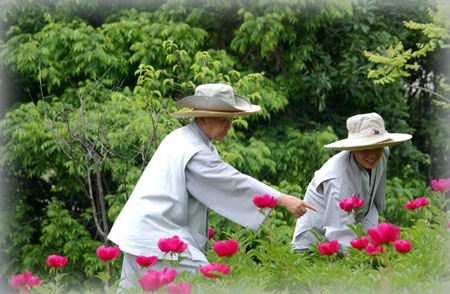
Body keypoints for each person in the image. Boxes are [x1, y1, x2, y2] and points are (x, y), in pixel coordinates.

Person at [108, 83, 317, 289]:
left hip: (139, 234)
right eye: (222, 119)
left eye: (230, 119)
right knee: (210, 283)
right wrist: (282, 199)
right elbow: (233, 181)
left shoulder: (183, 139)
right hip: (158, 237)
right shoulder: (193, 150)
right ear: (202, 117)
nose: (228, 126)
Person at [290, 112, 412, 254]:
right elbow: (339, 232)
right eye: (365, 149)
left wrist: (372, 243)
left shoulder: (383, 151)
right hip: (312, 247)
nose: (372, 155)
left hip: (349, 235)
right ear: (353, 148)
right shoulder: (338, 179)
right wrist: (359, 261)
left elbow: (372, 202)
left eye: (376, 147)